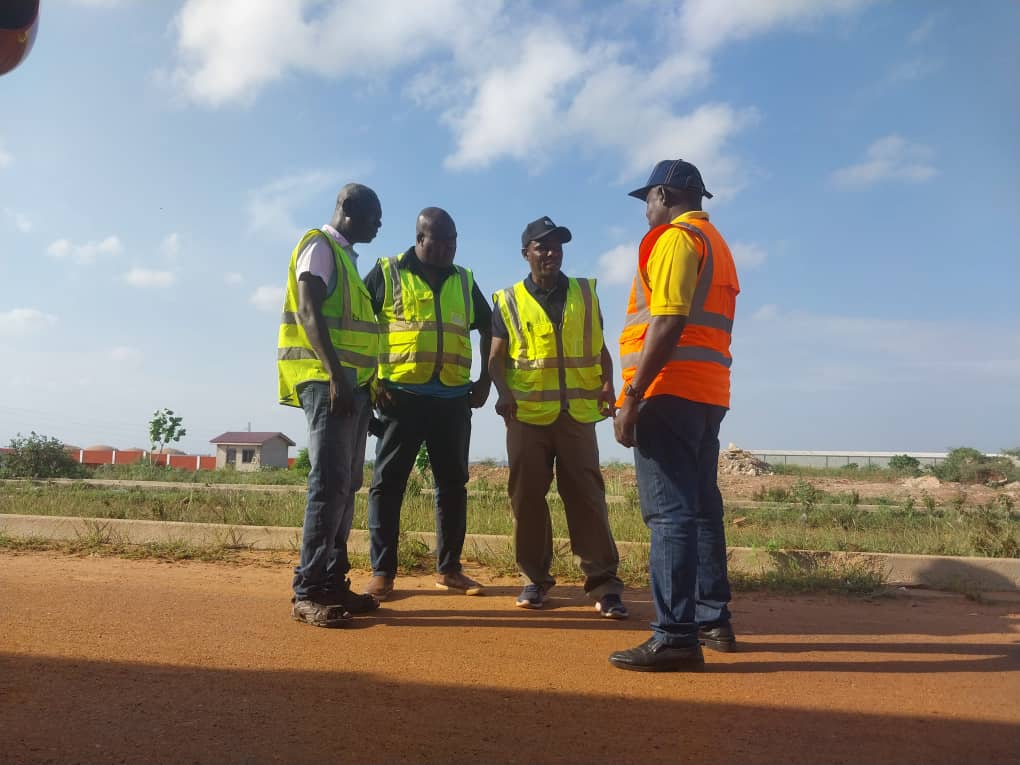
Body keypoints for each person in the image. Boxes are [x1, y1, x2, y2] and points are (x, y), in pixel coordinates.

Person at [608, 159, 740, 671]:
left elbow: (668, 320)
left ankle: (674, 635)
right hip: (709, 392)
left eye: (647, 200)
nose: (646, 211)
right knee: (703, 509)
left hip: (667, 392)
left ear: (664, 194)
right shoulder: (719, 246)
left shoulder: (676, 241)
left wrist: (633, 396)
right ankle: (712, 620)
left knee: (670, 515)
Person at [489, 216, 627, 618]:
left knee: (587, 498)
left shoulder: (585, 293)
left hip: (578, 415)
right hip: (527, 416)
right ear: (525, 254)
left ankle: (604, 584)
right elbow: (496, 359)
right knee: (527, 498)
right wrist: (503, 393)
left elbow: (599, 346)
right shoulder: (509, 299)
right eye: (542, 246)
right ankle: (535, 579)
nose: (551, 253)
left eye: (557, 246)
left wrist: (607, 383)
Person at [361, 207, 492, 600]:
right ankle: (383, 572)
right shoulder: (387, 272)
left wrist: (485, 380)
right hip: (400, 398)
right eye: (441, 242)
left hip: (453, 400)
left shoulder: (464, 280)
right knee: (388, 486)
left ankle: (449, 569)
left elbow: (489, 327)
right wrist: (370, 383)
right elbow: (359, 326)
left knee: (453, 486)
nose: (450, 249)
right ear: (421, 239)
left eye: (454, 241)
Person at [278, 183, 384, 627]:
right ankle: (310, 590)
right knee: (328, 484)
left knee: (345, 484)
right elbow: (309, 311)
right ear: (348, 209)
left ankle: (334, 581)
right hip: (328, 385)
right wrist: (338, 375)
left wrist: (363, 392)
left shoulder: (347, 260)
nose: (379, 224)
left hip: (350, 390)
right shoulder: (319, 247)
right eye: (374, 215)